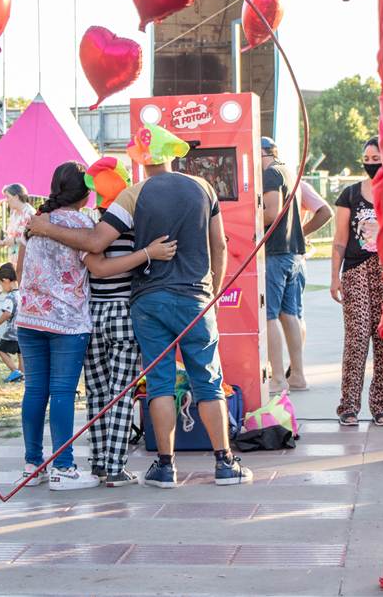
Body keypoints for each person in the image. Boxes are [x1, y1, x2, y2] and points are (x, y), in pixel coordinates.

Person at [29, 124, 252, 488]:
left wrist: (44, 227)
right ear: (173, 153)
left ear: (139, 159)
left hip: (148, 302)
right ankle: (225, 463)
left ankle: (165, 467)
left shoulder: (133, 195)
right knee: (208, 381)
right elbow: (220, 246)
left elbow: (96, 242)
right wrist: (212, 289)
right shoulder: (204, 188)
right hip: (196, 297)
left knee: (160, 383)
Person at [80, 157, 177, 487]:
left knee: (95, 392)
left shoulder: (90, 225)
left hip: (92, 315)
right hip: (125, 312)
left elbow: (94, 265)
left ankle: (97, 462)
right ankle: (114, 466)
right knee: (120, 393)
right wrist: (148, 253)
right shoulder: (137, 227)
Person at [14, 162, 100, 491]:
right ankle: (63, 467)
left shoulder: (33, 223)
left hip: (30, 317)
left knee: (35, 390)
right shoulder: (83, 223)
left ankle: (32, 463)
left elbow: (21, 271)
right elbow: (94, 259)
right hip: (67, 320)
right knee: (63, 391)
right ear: (85, 191)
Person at [261, 136, 333, 393]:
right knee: (290, 315)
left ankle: (278, 378)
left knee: (268, 316)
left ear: (263, 154)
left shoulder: (271, 174)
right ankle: (298, 375)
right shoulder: (291, 173)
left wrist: (245, 219)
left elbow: (271, 213)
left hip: (275, 253)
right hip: (294, 254)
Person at [330, 137, 383, 427]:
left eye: (376, 158)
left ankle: (382, 406)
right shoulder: (350, 195)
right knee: (356, 338)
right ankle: (349, 406)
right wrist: (334, 277)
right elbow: (340, 239)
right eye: (367, 158)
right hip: (356, 271)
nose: (371, 163)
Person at [0, 262, 23, 383]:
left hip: (12, 332)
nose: (2, 287)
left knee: (1, 350)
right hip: (22, 329)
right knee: (21, 352)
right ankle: (23, 373)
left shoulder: (10, 297)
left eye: (1, 283)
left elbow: (7, 313)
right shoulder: (21, 293)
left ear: (6, 280)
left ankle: (15, 372)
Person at [0, 183, 36, 265]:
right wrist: (5, 242)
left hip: (27, 258)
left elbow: (32, 236)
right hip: (14, 257)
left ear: (16, 197)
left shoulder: (30, 213)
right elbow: (12, 234)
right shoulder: (14, 213)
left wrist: (14, 241)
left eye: (7, 197)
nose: (6, 200)